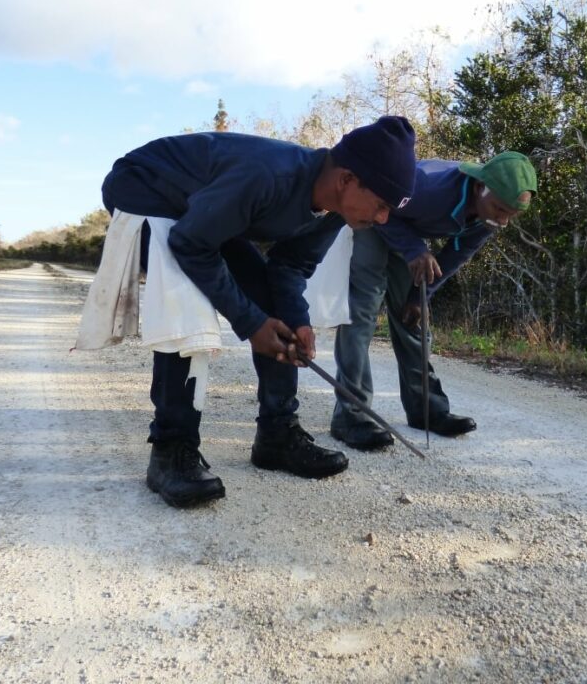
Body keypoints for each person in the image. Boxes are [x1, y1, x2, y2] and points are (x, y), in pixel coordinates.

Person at [84, 117, 417, 506]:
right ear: (346, 180)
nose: (383, 219)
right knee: (186, 300)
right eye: (380, 205)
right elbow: (190, 243)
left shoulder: (334, 212)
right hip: (144, 189)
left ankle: (277, 434)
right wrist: (250, 323)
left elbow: (289, 268)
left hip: (198, 215)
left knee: (271, 302)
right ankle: (171, 451)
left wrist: (297, 321)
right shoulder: (268, 176)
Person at [330, 151, 537, 450]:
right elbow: (378, 201)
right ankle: (351, 415)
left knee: (412, 316)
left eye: (511, 215)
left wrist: (419, 295)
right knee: (362, 310)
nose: (503, 220)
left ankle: (427, 410)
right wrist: (415, 250)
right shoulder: (430, 188)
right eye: (500, 209)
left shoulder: (490, 215)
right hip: (374, 218)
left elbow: (456, 254)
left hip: (406, 226)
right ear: (481, 187)